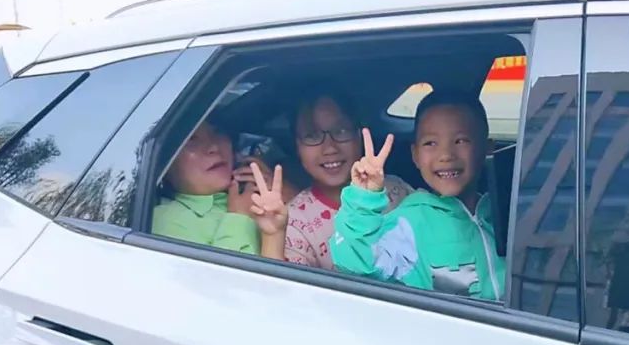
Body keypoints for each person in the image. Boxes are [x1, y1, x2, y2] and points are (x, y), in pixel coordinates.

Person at [331, 90, 505, 300]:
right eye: (430, 143)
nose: (446, 155)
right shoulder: (409, 224)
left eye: (460, 141)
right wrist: (363, 200)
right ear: (415, 155)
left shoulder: (504, 212)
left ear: (487, 148)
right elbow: (355, 263)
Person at [285, 91, 411, 269]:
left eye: (341, 131)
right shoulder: (293, 221)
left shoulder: (395, 190)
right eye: (312, 136)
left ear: (359, 136)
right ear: (297, 146)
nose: (330, 148)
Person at [152, 120, 288, 259]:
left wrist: (278, 202)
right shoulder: (164, 222)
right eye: (191, 139)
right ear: (165, 164)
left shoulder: (254, 199)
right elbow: (219, 273)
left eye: (218, 132)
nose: (214, 147)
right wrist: (238, 216)